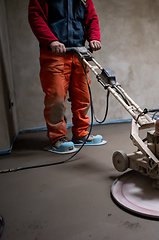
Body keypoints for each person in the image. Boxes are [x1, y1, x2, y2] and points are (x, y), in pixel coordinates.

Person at [28, 0, 101, 149]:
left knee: (83, 97)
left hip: (79, 53)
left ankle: (81, 133)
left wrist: (94, 37)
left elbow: (91, 18)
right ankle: (58, 137)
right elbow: (36, 16)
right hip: (55, 54)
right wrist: (51, 41)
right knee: (56, 99)